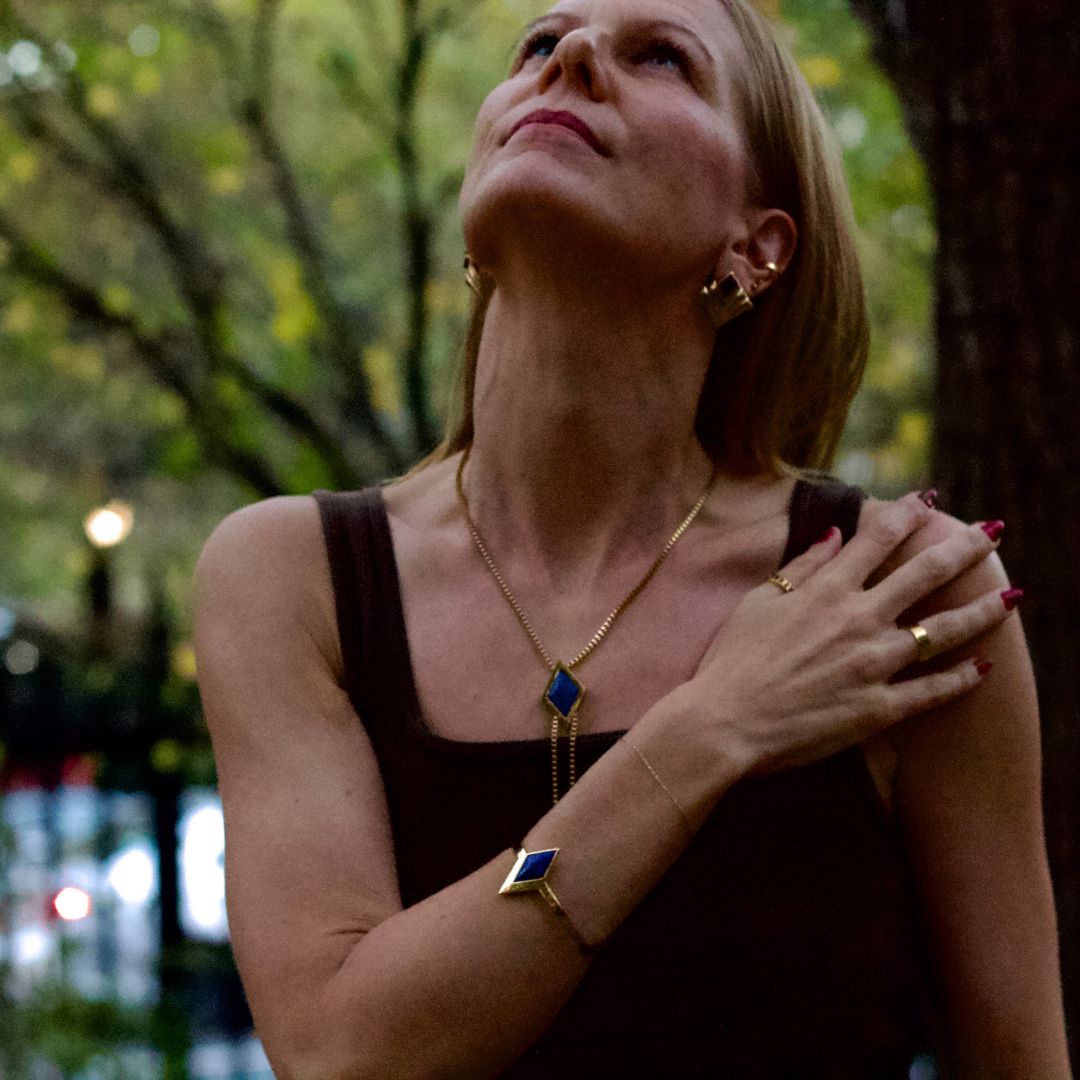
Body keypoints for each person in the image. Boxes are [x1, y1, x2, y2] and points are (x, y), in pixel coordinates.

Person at [193, 0, 1070, 1075]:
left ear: (756, 247)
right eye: (538, 44)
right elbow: (344, 1054)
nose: (573, 57)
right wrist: (710, 728)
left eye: (662, 57)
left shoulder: (899, 596)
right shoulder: (292, 578)